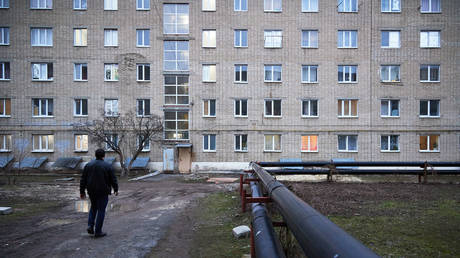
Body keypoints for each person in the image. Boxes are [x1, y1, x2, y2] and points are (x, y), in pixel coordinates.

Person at [80, 148, 118, 238]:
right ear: (104, 156)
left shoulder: (88, 165)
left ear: (95, 155)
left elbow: (83, 179)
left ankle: (90, 225)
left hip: (91, 191)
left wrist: (82, 191)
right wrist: (116, 189)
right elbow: (113, 179)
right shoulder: (107, 166)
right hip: (103, 191)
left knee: (93, 207)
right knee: (101, 210)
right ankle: (98, 231)